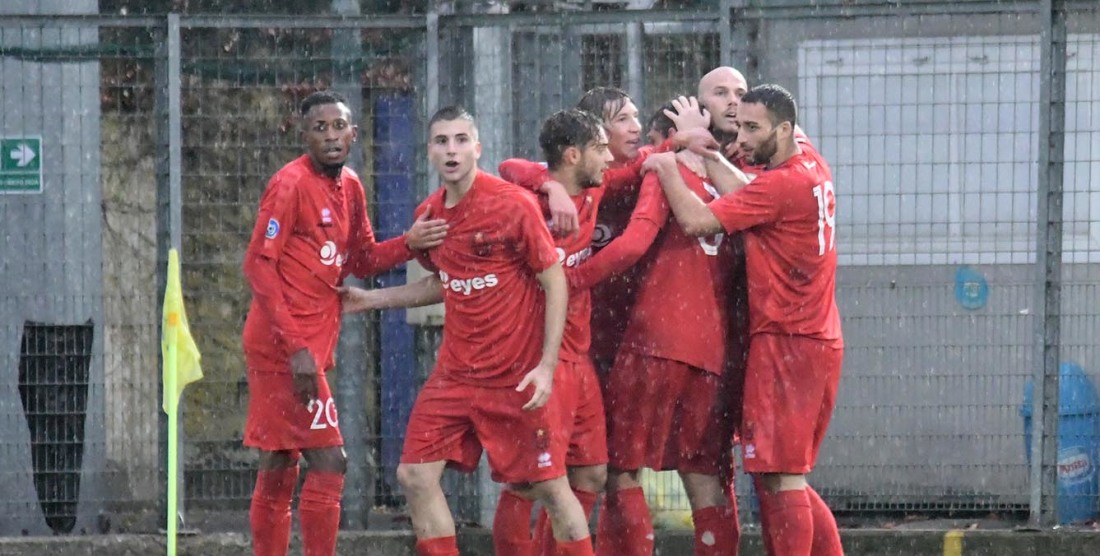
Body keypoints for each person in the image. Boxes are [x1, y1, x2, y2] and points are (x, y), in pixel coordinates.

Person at [341, 106, 595, 556]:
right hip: (456, 375)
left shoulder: (512, 205)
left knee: (549, 488)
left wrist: (546, 366)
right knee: (414, 476)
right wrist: (370, 299)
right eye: (442, 141)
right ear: (431, 153)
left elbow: (553, 279)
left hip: (515, 376)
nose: (451, 149)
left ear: (477, 148)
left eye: (461, 140)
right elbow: (444, 282)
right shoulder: (430, 217)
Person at [241, 90, 447, 556]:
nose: (331, 136)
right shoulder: (289, 184)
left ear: (354, 134)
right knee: (331, 460)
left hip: (306, 349)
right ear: (304, 133)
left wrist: (411, 244)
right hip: (282, 348)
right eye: (321, 128)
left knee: (280, 460)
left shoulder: (350, 184)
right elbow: (258, 266)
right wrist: (295, 347)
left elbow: (363, 257)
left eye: (339, 127)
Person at [651, 83, 845, 556]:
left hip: (788, 341)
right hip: (813, 337)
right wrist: (715, 154)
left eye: (753, 127)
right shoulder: (806, 162)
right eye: (739, 124)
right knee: (779, 474)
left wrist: (666, 165)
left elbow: (698, 220)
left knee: (781, 477)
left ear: (783, 128)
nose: (743, 134)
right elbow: (755, 192)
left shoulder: (783, 184)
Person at [568, 101, 743, 556]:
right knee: (704, 475)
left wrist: (566, 282)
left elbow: (633, 244)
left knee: (619, 470)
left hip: (656, 339)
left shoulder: (662, 169)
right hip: (711, 348)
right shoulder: (730, 181)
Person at [493, 109, 615, 556]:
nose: (609, 157)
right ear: (572, 154)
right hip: (541, 359)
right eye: (601, 148)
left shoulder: (592, 191)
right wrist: (547, 186)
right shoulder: (527, 205)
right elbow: (508, 168)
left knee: (591, 473)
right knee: (530, 482)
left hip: (576, 358)